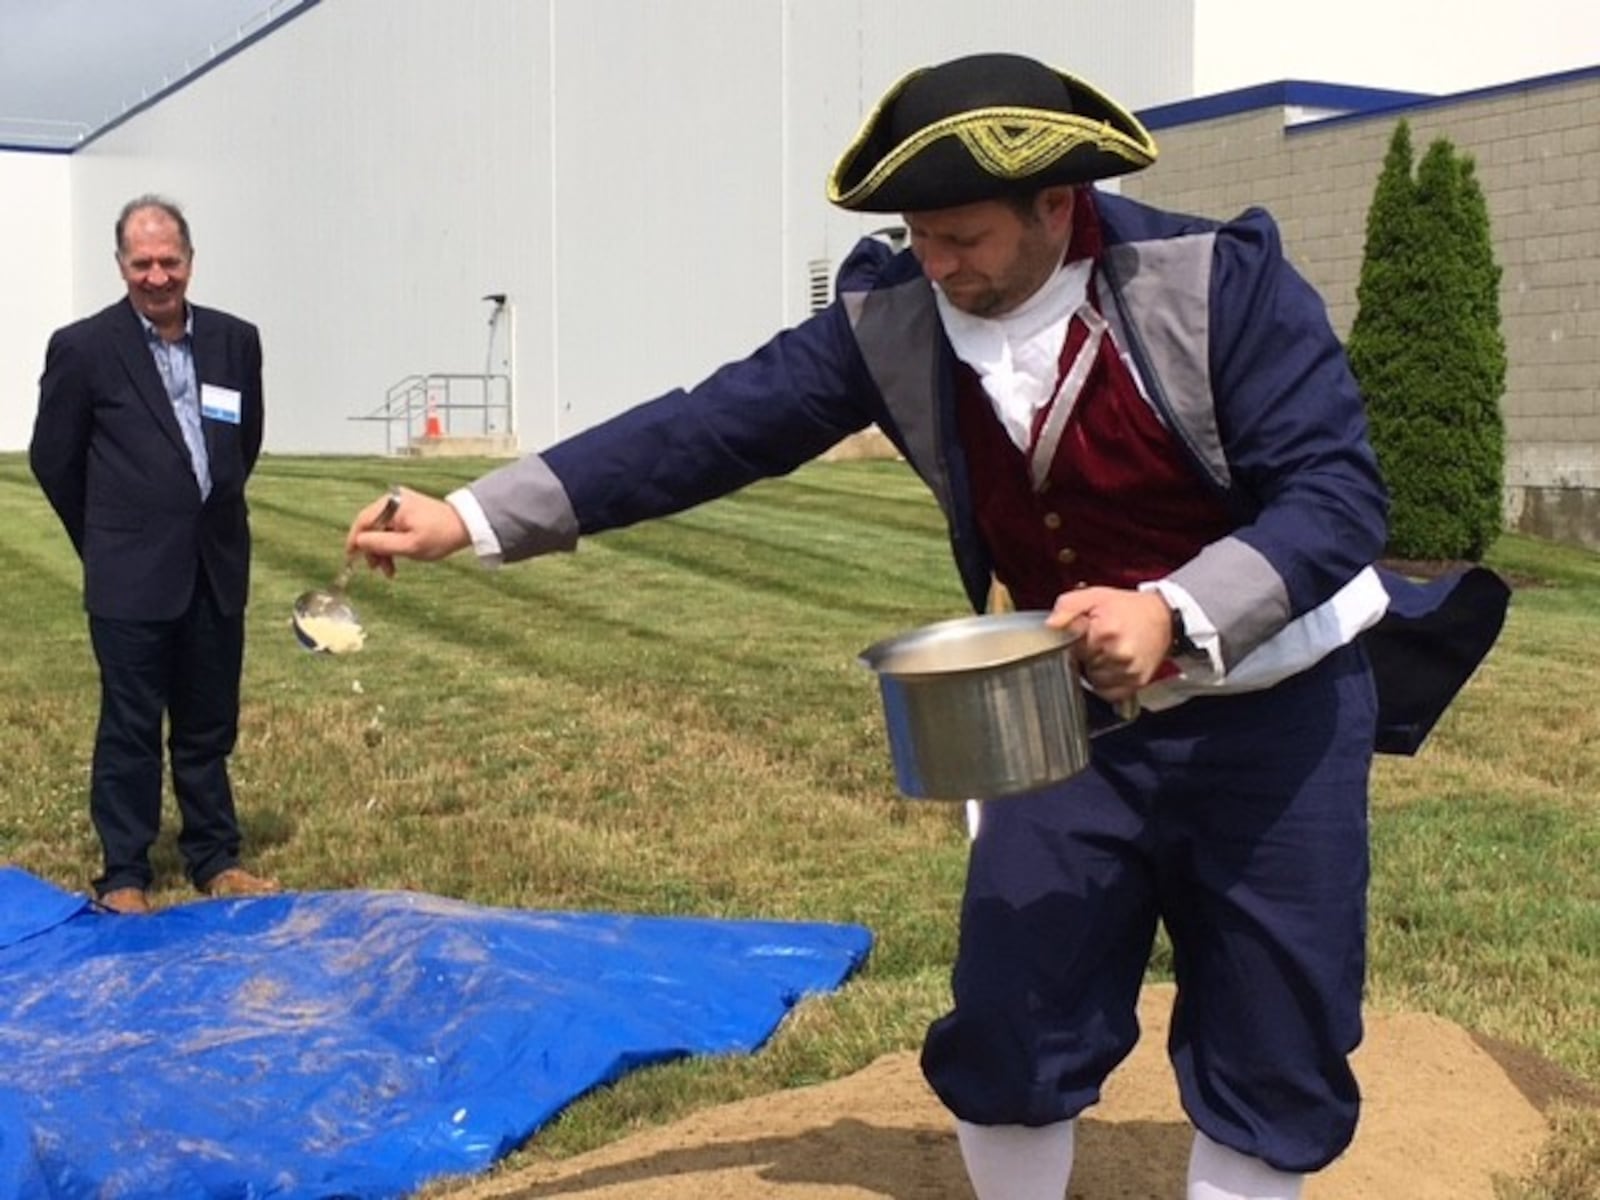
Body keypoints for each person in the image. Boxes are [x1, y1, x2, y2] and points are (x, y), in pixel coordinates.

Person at [342, 54, 1506, 1200]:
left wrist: (1174, 610)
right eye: (918, 236)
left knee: (1275, 1031)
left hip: (1280, 710)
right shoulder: (898, 315)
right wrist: (468, 515)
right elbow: (704, 431)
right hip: (1068, 718)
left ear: (1057, 203)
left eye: (961, 237)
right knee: (1012, 1015)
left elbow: (1338, 496)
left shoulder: (1217, 282)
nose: (936, 264)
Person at [30, 195, 280, 915]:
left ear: (190, 262)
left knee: (208, 724)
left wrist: (206, 505)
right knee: (132, 725)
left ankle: (215, 855)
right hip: (129, 574)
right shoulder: (84, 348)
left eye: (169, 260)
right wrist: (108, 536)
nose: (157, 276)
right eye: (142, 263)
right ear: (121, 267)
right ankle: (124, 874)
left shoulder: (235, 341)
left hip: (214, 563)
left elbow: (244, 439)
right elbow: (55, 459)